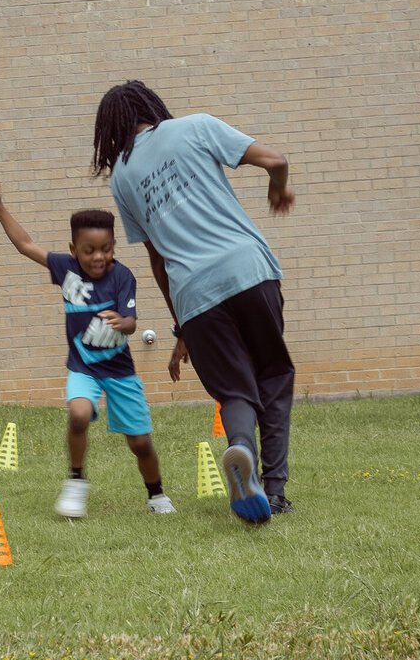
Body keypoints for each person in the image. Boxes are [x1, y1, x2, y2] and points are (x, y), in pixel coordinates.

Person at [93, 80, 296, 524]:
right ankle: (275, 492)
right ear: (152, 107)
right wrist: (278, 187)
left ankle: (240, 447)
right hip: (249, 271)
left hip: (193, 295)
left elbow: (157, 259)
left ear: (111, 129)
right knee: (273, 375)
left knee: (233, 390)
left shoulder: (123, 178)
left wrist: (182, 325)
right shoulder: (196, 127)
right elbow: (275, 160)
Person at [0, 180, 175, 518]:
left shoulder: (122, 277)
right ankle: (75, 482)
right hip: (83, 367)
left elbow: (131, 322)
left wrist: (123, 322)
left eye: (106, 249)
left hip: (120, 371)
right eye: (90, 250)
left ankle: (156, 495)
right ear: (74, 250)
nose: (99, 257)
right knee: (78, 414)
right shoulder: (65, 268)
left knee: (140, 443)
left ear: (114, 246)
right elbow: (25, 244)